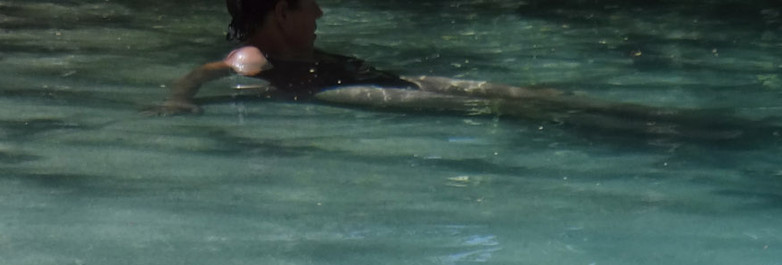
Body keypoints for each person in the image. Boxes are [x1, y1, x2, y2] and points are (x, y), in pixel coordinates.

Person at [156, 0, 570, 115]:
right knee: (480, 103)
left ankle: (573, 106)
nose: (319, 13)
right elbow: (207, 71)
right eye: (310, 5)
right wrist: (179, 98)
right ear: (282, 12)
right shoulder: (250, 55)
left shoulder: (288, 49)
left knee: (506, 93)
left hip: (379, 80)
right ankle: (590, 115)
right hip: (347, 90)